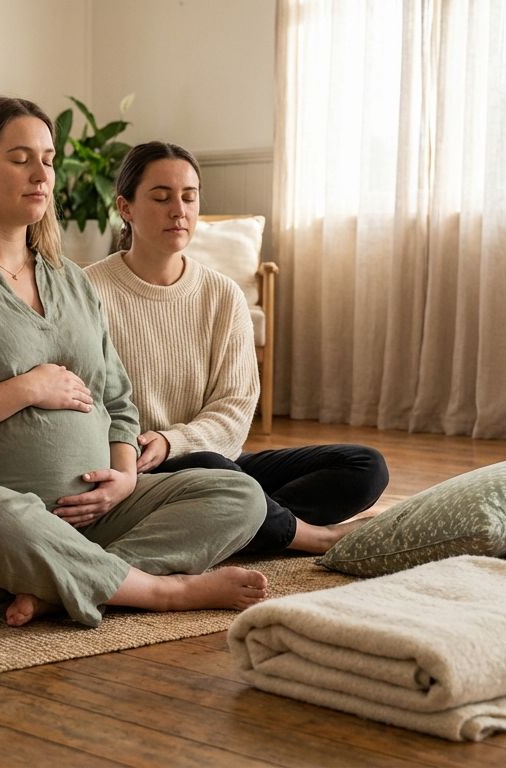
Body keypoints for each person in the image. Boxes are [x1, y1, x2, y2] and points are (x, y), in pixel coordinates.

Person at [0, 98, 269, 628]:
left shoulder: (72, 280)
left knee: (236, 493)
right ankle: (160, 591)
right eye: (20, 159)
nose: (42, 174)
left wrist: (124, 477)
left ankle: (69, 584)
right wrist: (25, 389)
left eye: (49, 159)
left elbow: (118, 401)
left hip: (88, 514)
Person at [84, 141, 390, 555]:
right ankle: (307, 536)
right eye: (161, 197)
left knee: (366, 466)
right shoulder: (87, 291)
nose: (179, 210)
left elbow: (235, 408)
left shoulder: (222, 294)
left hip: (211, 457)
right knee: (214, 471)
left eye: (189, 197)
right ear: (126, 207)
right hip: (140, 474)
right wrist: (143, 451)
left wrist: (174, 441)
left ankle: (235, 525)